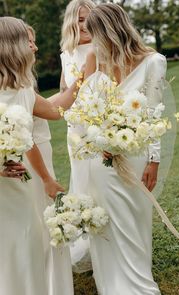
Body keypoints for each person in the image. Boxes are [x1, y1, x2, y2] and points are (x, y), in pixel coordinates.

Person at [80, 3, 167, 294]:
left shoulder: (153, 62)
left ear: (109, 30)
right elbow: (87, 112)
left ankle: (138, 281)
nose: (93, 42)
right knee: (109, 222)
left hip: (136, 154)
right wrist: (98, 140)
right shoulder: (100, 62)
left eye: (95, 35)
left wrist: (154, 160)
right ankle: (112, 283)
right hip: (101, 160)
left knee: (135, 219)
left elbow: (154, 115)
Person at [0, 16, 82, 295]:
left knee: (27, 242)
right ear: (13, 46)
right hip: (8, 185)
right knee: (14, 244)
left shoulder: (23, 90)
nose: (34, 48)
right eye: (29, 42)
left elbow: (52, 113)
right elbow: (30, 138)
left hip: (21, 181)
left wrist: (82, 76)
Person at [26, 26, 74, 295]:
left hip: (31, 158)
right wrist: (82, 78)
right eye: (29, 42)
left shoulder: (19, 82)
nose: (35, 47)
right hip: (33, 163)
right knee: (42, 222)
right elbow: (54, 111)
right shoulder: (16, 85)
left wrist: (70, 86)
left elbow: (44, 106)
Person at [60, 0, 95, 272]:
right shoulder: (66, 54)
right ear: (72, 21)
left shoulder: (102, 48)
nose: (84, 24)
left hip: (100, 126)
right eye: (80, 19)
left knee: (103, 182)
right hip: (75, 131)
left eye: (89, 18)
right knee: (81, 183)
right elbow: (64, 91)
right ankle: (88, 242)